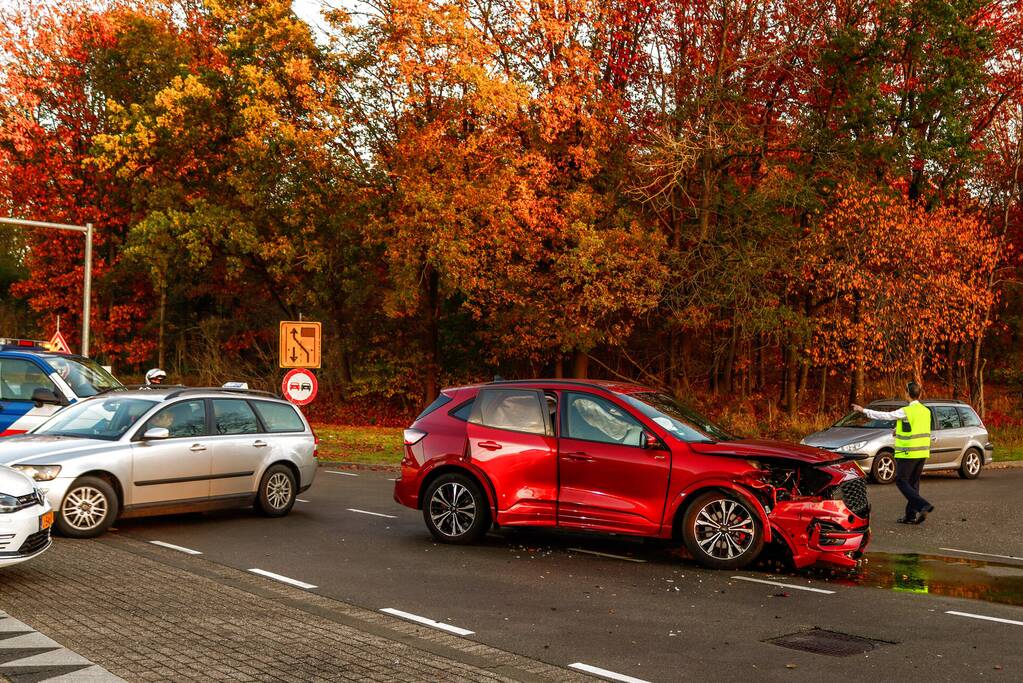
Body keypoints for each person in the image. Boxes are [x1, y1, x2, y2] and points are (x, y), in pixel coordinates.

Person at [853, 381, 935, 525]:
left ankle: (923, 505)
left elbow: (886, 416)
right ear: (919, 394)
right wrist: (899, 430)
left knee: (901, 481)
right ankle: (910, 516)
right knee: (913, 483)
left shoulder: (907, 411)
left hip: (908, 452)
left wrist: (863, 410)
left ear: (907, 393)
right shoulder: (926, 411)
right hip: (922, 452)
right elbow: (917, 427)